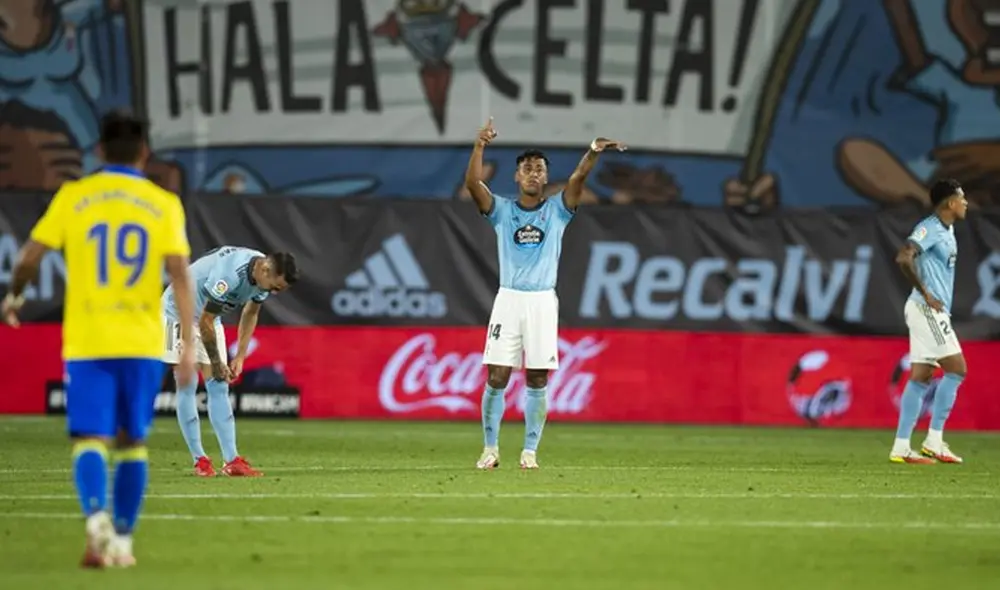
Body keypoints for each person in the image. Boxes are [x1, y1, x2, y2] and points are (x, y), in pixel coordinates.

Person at [0, 109, 197, 567]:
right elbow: (181, 277)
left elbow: (30, 256)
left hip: (89, 340)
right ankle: (124, 542)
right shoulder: (163, 203)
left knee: (90, 437)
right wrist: (187, 344)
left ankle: (95, 517)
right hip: (142, 342)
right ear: (145, 153)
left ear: (99, 151)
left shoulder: (75, 196)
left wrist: (14, 296)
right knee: (133, 443)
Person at [464, 117, 625, 469]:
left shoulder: (557, 211)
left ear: (545, 177)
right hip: (508, 299)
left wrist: (593, 152)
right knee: (497, 376)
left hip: (541, 301)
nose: (534, 173)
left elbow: (578, 178)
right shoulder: (502, 211)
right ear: (517, 177)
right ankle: (490, 449)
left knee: (537, 377)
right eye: (527, 168)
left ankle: (529, 452)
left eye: (539, 169)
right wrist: (480, 145)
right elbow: (473, 183)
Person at [162, 247, 298, 477]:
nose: (274, 293)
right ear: (265, 270)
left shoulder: (262, 276)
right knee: (187, 382)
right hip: (175, 313)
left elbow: (251, 313)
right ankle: (200, 460)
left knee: (219, 385)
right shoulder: (231, 275)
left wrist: (241, 356)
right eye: (276, 287)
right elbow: (205, 320)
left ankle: (231, 460)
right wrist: (216, 363)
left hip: (209, 317)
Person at [890, 178, 969, 464]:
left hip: (928, 309)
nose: (966, 203)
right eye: (962, 198)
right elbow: (903, 257)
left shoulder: (948, 231)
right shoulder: (930, 228)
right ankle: (934, 440)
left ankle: (901, 447)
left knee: (921, 377)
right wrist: (927, 293)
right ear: (950, 202)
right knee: (957, 369)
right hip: (925, 308)